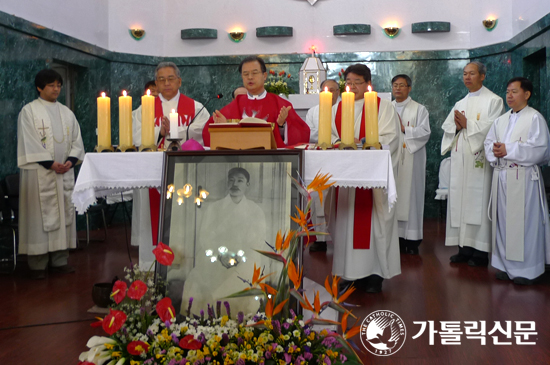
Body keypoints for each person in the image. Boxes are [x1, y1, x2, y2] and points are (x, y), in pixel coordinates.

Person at [328, 64, 401, 293]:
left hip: (372, 181)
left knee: (374, 224)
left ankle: (374, 274)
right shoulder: (336, 109)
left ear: (368, 83)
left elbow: (391, 137)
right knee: (345, 224)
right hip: (346, 179)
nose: (352, 86)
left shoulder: (383, 107)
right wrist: (339, 145)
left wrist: (368, 147)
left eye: (357, 82)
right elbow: (328, 136)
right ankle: (348, 273)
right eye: (348, 82)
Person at [17, 69, 85, 280]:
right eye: (51, 85)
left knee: (64, 215)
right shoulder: (29, 111)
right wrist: (50, 163)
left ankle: (60, 260)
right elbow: (29, 141)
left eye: (58, 85)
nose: (56, 89)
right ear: (39, 87)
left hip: (63, 173)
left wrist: (69, 161)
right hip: (39, 173)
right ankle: (37, 263)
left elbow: (77, 140)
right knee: (39, 218)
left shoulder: (67, 112)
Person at [484, 77, 550, 285]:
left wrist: (508, 149)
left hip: (524, 179)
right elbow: (488, 142)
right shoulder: (501, 120)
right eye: (507, 91)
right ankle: (505, 265)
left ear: (527, 94)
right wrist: (495, 151)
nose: (509, 96)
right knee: (504, 222)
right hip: (503, 177)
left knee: (525, 224)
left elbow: (540, 150)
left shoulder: (534, 118)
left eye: (514, 91)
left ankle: (528, 270)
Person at [441, 61, 505, 267]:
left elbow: (495, 127)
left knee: (477, 201)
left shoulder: (494, 101)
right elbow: (448, 126)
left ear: (483, 76)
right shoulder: (460, 103)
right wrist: (456, 127)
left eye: (472, 73)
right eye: (464, 74)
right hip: (461, 158)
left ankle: (479, 251)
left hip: (479, 159)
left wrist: (469, 124)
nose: (467, 77)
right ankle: (463, 248)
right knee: (460, 201)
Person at [181, 167, 268, 314]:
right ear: (227, 183)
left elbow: (258, 241)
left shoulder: (255, 210)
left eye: (240, 181)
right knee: (196, 279)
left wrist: (239, 257)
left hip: (245, 259)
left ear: (247, 185)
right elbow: (206, 236)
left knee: (248, 276)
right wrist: (220, 256)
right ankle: (201, 321)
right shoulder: (214, 208)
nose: (235, 184)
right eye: (232, 180)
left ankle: (234, 318)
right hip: (217, 257)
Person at [202, 56, 310, 148]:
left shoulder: (281, 105)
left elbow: (302, 134)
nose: (250, 77)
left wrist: (282, 125)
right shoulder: (234, 106)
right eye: (245, 74)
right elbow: (207, 133)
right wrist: (222, 127)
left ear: (264, 76)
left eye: (254, 73)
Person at [391, 74, 431, 255]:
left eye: (402, 85)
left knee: (411, 196)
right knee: (394, 196)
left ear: (409, 88)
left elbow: (425, 132)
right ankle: (396, 239)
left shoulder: (419, 109)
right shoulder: (387, 108)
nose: (398, 88)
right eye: (395, 85)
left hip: (411, 158)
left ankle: (412, 240)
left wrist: (404, 129)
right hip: (391, 159)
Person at [153, 62, 210, 147]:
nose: (166, 83)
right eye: (161, 79)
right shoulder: (144, 109)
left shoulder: (196, 108)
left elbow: (202, 131)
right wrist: (159, 133)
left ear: (179, 82)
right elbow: (137, 133)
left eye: (171, 79)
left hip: (186, 159)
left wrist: (173, 130)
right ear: (156, 84)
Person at [305, 79, 341, 143]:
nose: (328, 93)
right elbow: (309, 132)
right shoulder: (312, 112)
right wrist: (333, 139)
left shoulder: (342, 109)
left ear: (338, 92)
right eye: (325, 91)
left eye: (332, 90)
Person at [132, 80, 158, 147]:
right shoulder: (139, 112)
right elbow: (136, 136)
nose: (155, 94)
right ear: (145, 93)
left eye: (158, 91)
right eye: (152, 91)